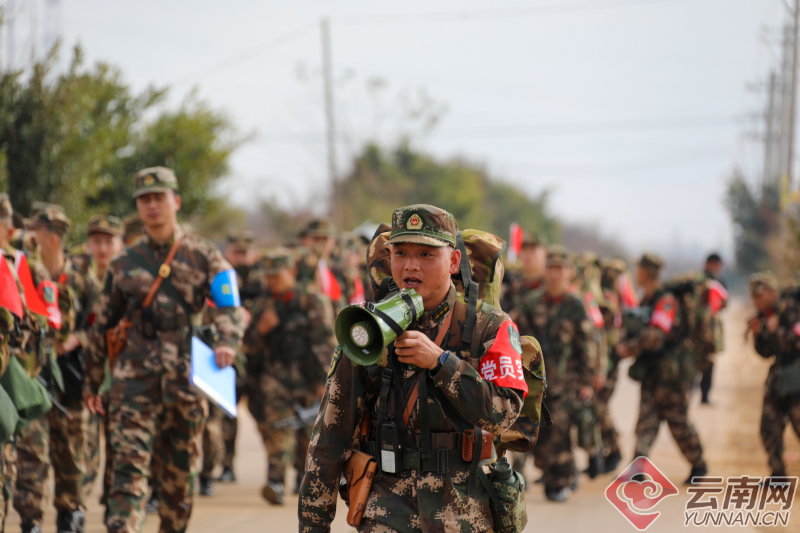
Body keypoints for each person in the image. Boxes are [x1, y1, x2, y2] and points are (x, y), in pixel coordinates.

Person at [299, 204, 529, 533]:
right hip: (386, 511)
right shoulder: (368, 330)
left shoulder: (488, 326)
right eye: (401, 252)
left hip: (466, 513)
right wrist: (312, 526)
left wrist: (442, 363)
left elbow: (504, 414)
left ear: (453, 262)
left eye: (426, 255)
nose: (410, 266)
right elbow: (329, 440)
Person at [84, 167, 245, 533]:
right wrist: (93, 383)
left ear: (176, 201)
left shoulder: (204, 255)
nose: (152, 205)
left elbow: (230, 306)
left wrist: (226, 341)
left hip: (186, 384)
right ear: (138, 207)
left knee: (178, 483)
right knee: (127, 473)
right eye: (145, 199)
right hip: (132, 385)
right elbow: (103, 325)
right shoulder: (123, 263)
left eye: (159, 197)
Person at [16, 204, 97, 533]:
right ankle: (29, 520)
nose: (26, 236)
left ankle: (68, 511)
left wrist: (76, 339)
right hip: (32, 376)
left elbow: (104, 326)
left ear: (50, 238)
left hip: (69, 381)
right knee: (30, 453)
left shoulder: (81, 282)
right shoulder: (22, 274)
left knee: (70, 452)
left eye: (33, 231)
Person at [243, 247, 335, 505]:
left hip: (309, 379)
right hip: (275, 379)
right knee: (278, 429)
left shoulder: (312, 300)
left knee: (308, 436)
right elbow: (247, 345)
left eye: (277, 275)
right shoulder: (263, 304)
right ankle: (275, 482)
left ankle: (303, 478)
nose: (271, 281)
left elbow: (326, 343)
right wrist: (261, 329)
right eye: (268, 276)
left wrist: (325, 382)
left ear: (291, 272)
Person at [514, 245, 599, 502]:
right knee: (538, 434)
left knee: (561, 432)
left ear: (569, 273)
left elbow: (587, 344)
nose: (554, 274)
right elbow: (515, 335)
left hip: (567, 382)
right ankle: (549, 472)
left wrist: (587, 381)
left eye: (559, 269)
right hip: (535, 382)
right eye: (550, 268)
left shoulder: (576, 304)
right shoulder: (531, 302)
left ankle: (559, 482)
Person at [617, 253, 708, 485]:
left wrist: (631, 347)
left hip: (672, 374)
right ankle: (637, 469)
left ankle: (699, 464)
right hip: (654, 371)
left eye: (639, 269)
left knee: (678, 422)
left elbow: (657, 334)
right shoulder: (648, 298)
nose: (636, 273)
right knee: (646, 420)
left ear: (647, 272)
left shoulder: (665, 300)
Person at [74, 215, 125, 511]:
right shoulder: (80, 278)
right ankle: (78, 507)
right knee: (87, 444)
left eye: (109, 241)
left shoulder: (132, 279)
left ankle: (114, 504)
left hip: (122, 375)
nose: (102, 248)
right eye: (97, 241)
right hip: (89, 374)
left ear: (121, 244)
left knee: (120, 445)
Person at [214, 230, 261, 484]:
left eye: (245, 253)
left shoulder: (264, 280)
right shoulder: (221, 279)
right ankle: (226, 464)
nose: (241, 258)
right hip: (231, 359)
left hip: (258, 360)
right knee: (226, 414)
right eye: (236, 252)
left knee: (265, 415)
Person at [748, 272, 800, 478]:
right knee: (769, 427)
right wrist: (758, 334)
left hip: (796, 377)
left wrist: (776, 330)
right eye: (753, 296)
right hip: (779, 378)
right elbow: (766, 352)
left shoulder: (792, 310)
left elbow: (795, 342)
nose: (756, 300)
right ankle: (778, 475)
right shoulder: (766, 315)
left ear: (773, 293)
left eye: (759, 295)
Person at [699, 253, 725, 404]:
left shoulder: (715, 280)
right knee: (706, 361)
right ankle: (704, 395)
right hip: (705, 329)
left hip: (706, 328)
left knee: (706, 361)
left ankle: (704, 395)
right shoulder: (706, 280)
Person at [501, 231, 546, 313]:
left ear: (544, 254)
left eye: (532, 250)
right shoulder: (512, 287)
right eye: (524, 250)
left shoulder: (551, 287)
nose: (528, 255)